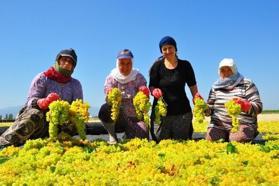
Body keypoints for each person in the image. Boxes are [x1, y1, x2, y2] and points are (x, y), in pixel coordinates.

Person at [0, 48, 83, 148]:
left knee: (76, 119)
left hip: (60, 125)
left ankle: (59, 142)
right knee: (35, 114)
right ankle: (4, 143)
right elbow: (29, 101)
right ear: (58, 60)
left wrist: (75, 111)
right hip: (39, 124)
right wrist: (42, 102)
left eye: (70, 62)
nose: (66, 63)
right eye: (64, 59)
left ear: (73, 67)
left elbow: (78, 107)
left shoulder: (75, 84)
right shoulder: (43, 77)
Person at [149, 36, 201, 141]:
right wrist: (154, 91)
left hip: (182, 113)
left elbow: (192, 86)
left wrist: (197, 99)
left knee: (181, 142)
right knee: (159, 141)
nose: (168, 51)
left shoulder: (185, 65)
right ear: (161, 51)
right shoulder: (156, 66)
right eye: (164, 49)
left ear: (175, 49)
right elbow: (151, 86)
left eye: (170, 47)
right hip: (161, 113)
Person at [98, 49, 149, 144]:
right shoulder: (112, 77)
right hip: (117, 119)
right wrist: (110, 91)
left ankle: (128, 134)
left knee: (143, 135)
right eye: (122, 63)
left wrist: (143, 90)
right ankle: (112, 135)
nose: (125, 67)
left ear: (132, 63)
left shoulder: (138, 76)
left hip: (134, 118)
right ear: (117, 63)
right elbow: (107, 89)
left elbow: (143, 89)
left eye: (128, 63)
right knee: (105, 108)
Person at [205, 58, 262, 142]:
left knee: (237, 139)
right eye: (223, 70)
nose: (226, 73)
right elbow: (210, 109)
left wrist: (245, 105)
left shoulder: (247, 83)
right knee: (211, 139)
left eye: (229, 70)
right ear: (219, 72)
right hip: (219, 124)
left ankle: (249, 132)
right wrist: (203, 108)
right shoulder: (215, 87)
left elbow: (259, 107)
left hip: (242, 123)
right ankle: (226, 134)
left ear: (234, 70)